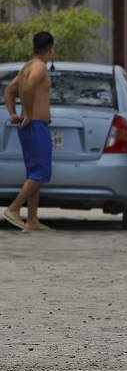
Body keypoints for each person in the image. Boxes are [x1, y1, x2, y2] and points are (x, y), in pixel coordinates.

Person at [2, 32, 56, 232]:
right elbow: (28, 88)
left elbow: (9, 90)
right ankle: (13, 209)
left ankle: (32, 219)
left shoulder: (28, 66)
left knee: (34, 172)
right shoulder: (40, 67)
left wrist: (14, 114)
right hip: (35, 125)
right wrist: (30, 115)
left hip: (29, 125)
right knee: (42, 171)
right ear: (51, 48)